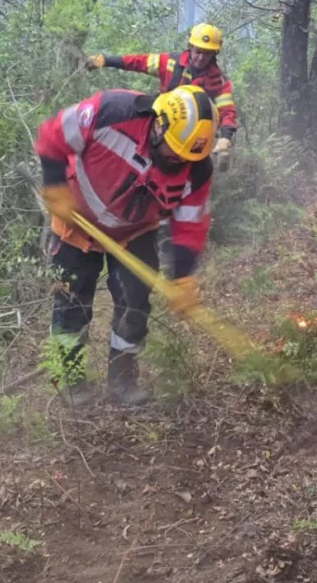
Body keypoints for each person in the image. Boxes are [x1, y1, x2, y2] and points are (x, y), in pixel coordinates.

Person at [35, 85, 217, 407]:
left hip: (134, 231)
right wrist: (54, 184)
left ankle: (122, 381)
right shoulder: (111, 113)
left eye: (187, 156)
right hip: (75, 224)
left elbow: (188, 224)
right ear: (159, 126)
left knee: (135, 305)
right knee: (70, 308)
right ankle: (73, 382)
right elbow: (52, 134)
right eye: (174, 152)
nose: (178, 162)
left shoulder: (197, 167)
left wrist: (183, 276)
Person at [85, 23, 237, 172]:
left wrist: (225, 138)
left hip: (190, 139)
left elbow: (227, 112)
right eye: (198, 51)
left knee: (201, 171)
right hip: (159, 123)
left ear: (214, 54)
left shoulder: (219, 82)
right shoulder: (170, 62)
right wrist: (105, 61)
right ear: (190, 47)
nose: (201, 58)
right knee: (128, 108)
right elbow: (138, 62)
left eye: (207, 53)